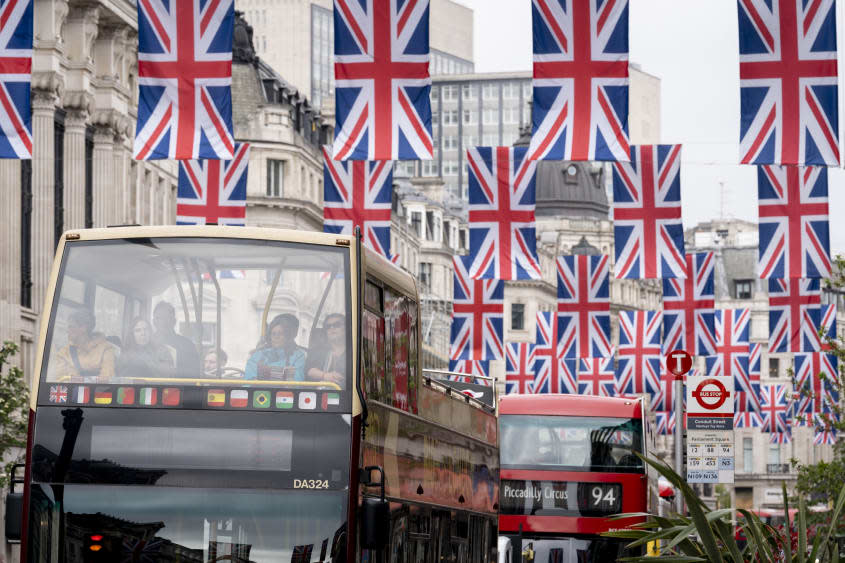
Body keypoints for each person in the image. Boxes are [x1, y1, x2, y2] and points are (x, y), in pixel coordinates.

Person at [50, 309, 116, 381]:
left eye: (71, 326)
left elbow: (107, 377)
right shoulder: (64, 353)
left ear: (83, 328)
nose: (67, 330)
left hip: (101, 391)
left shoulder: (106, 348)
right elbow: (60, 379)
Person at [245, 314, 306, 380]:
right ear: (270, 336)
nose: (276, 337)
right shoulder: (258, 355)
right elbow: (250, 380)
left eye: (281, 333)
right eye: (273, 334)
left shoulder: (299, 356)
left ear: (288, 336)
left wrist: (263, 372)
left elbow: (297, 380)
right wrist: (286, 374)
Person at [152, 301, 200, 378]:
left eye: (167, 317)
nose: (163, 322)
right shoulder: (146, 343)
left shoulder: (188, 345)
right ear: (154, 321)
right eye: (159, 318)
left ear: (174, 321)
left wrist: (176, 371)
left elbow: (195, 373)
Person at [306, 313, 347, 388]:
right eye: (328, 326)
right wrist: (325, 376)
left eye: (337, 325)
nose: (332, 328)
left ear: (346, 328)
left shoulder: (354, 351)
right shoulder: (318, 350)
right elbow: (309, 370)